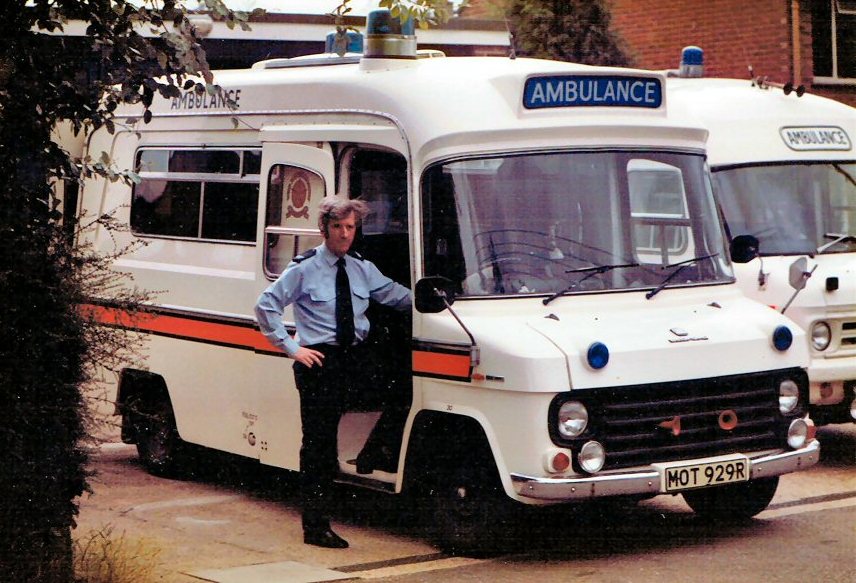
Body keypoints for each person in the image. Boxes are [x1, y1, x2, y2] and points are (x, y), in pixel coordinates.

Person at [255, 196, 412, 549]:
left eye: (351, 228)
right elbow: (266, 306)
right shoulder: (304, 268)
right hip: (320, 363)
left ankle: (373, 457)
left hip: (354, 361)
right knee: (319, 446)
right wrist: (294, 348)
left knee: (401, 395)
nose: (344, 234)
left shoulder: (361, 268)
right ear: (324, 229)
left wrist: (440, 296)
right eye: (338, 227)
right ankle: (316, 527)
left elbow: (397, 296)